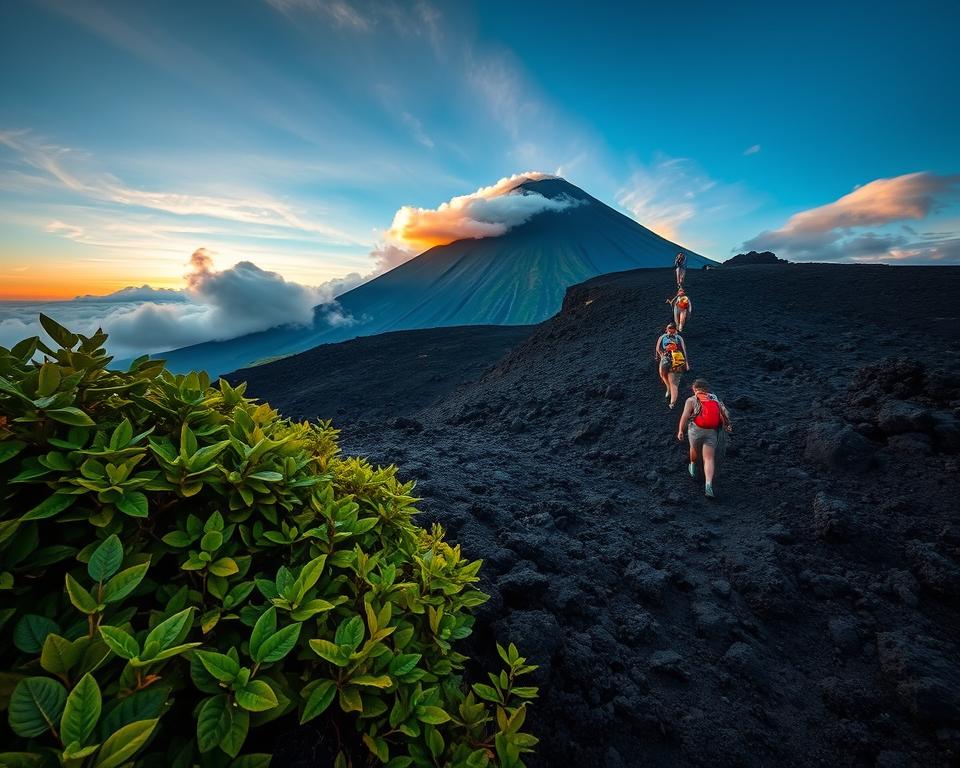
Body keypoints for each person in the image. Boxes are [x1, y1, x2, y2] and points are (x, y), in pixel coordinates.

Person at [676, 379, 733, 498]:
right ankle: (708, 485)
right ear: (707, 389)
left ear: (694, 389)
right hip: (711, 431)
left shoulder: (691, 400)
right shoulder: (714, 398)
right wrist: (727, 425)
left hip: (696, 431)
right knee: (709, 458)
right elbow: (724, 413)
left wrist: (681, 430)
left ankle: (692, 466)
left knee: (693, 449)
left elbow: (685, 416)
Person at [654, 322, 689, 408]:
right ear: (667, 330)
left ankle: (672, 401)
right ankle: (668, 388)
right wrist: (661, 355)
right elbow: (658, 348)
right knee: (664, 375)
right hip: (666, 359)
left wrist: (686, 362)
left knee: (673, 381)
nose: (671, 333)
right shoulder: (663, 337)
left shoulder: (679, 338)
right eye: (670, 331)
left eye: (672, 331)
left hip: (676, 360)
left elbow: (684, 350)